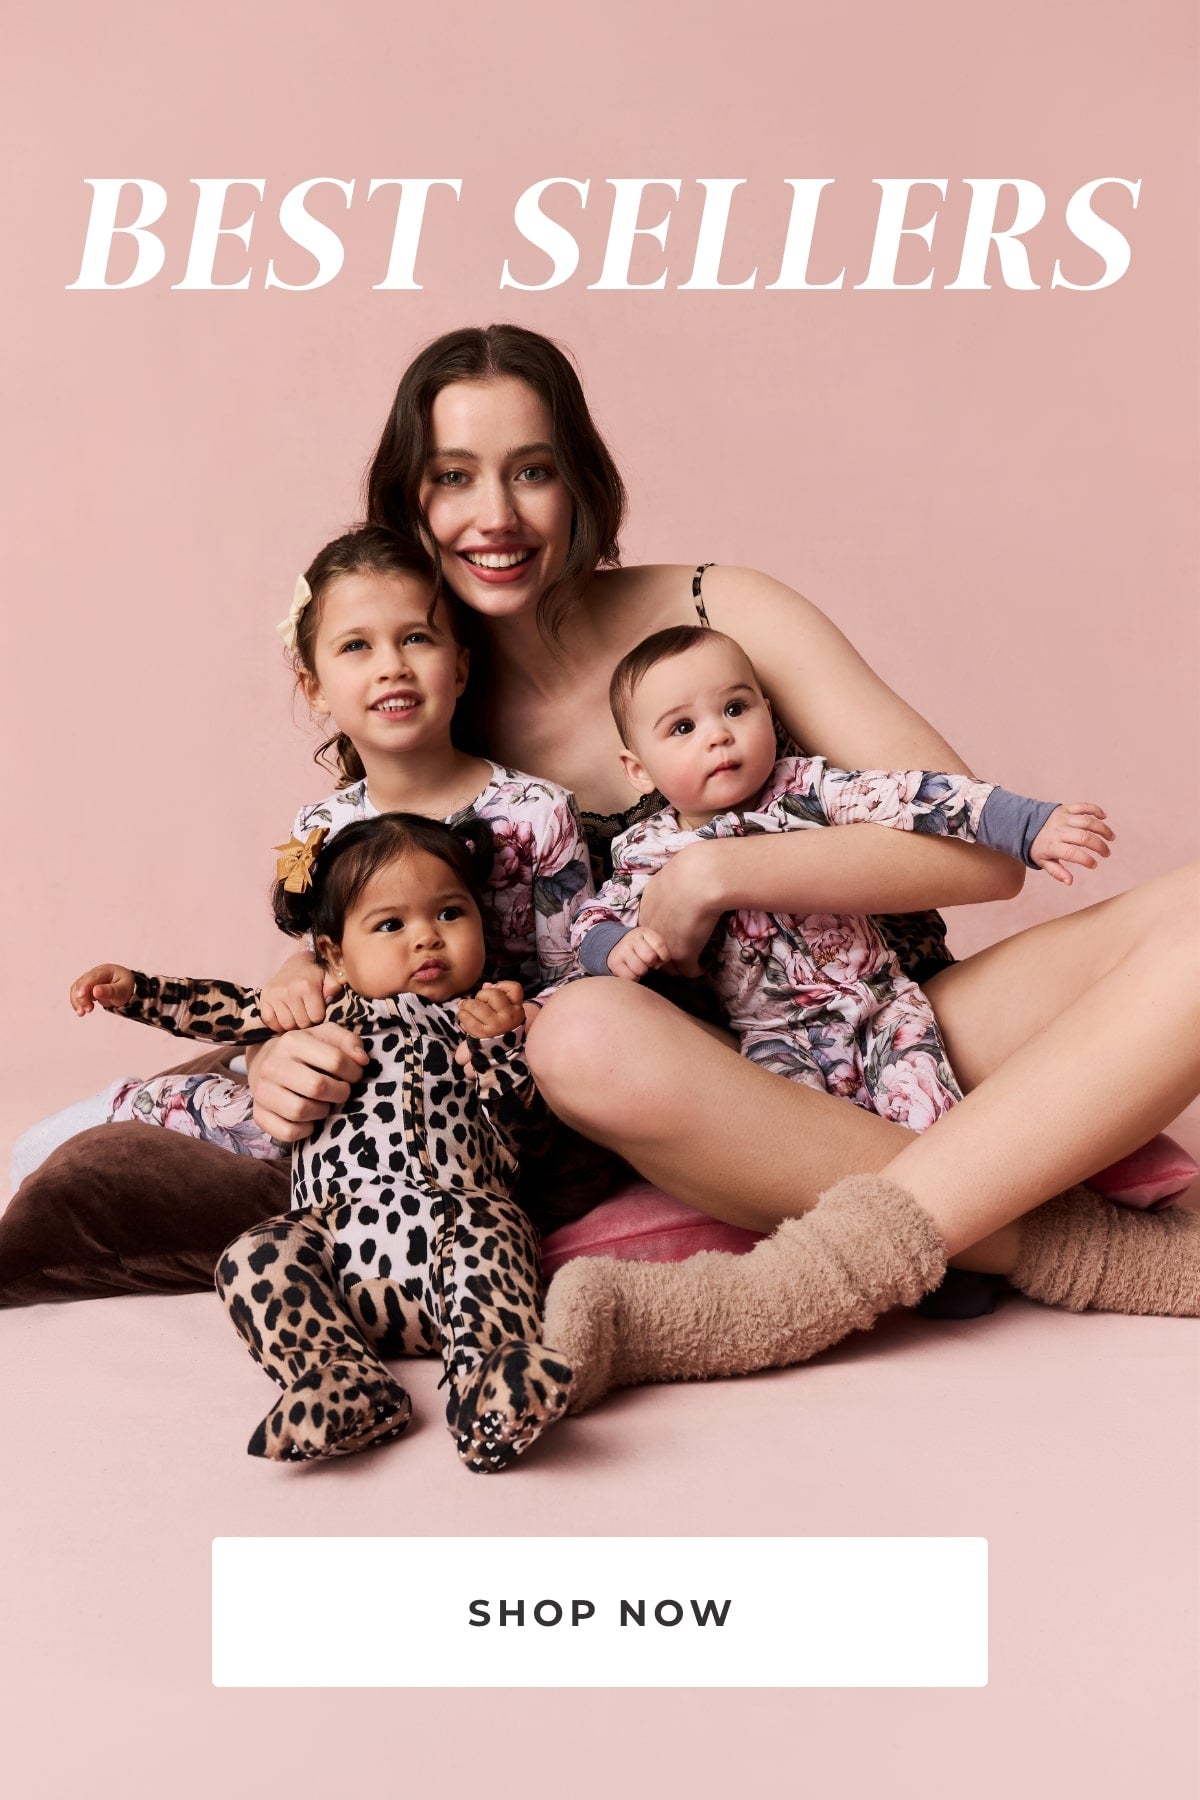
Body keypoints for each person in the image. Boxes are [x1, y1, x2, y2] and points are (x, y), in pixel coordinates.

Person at [41, 522, 592, 1171]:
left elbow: (577, 979)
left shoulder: (537, 813)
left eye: (416, 637)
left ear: (461, 664)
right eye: (356, 646)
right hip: (358, 1076)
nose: (392, 664)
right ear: (317, 689)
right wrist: (297, 974)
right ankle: (123, 1109)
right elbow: (319, 950)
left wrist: (517, 1013)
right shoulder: (315, 826)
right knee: (253, 1104)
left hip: (480, 1079)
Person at [69, 812, 575, 1471]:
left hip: (454, 1254)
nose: (425, 938)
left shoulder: (490, 1014)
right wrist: (137, 991)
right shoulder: (324, 1008)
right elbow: (222, 1007)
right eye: (391, 925)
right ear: (334, 952)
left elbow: (531, 1141)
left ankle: (490, 1379)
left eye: (450, 914)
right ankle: (343, 1380)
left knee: (495, 1222)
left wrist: (503, 1049)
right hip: (339, 1260)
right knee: (253, 1255)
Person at [572, 622, 1109, 1126]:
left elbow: (912, 793)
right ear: (638, 769)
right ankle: (853, 1217)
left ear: (769, 712)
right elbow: (593, 918)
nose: (718, 736)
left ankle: (968, 1200)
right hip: (773, 1036)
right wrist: (613, 945)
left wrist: (1027, 824)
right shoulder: (649, 849)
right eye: (683, 727)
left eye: (735, 708)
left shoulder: (807, 788)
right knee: (799, 1143)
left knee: (932, 1118)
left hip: (882, 1003)